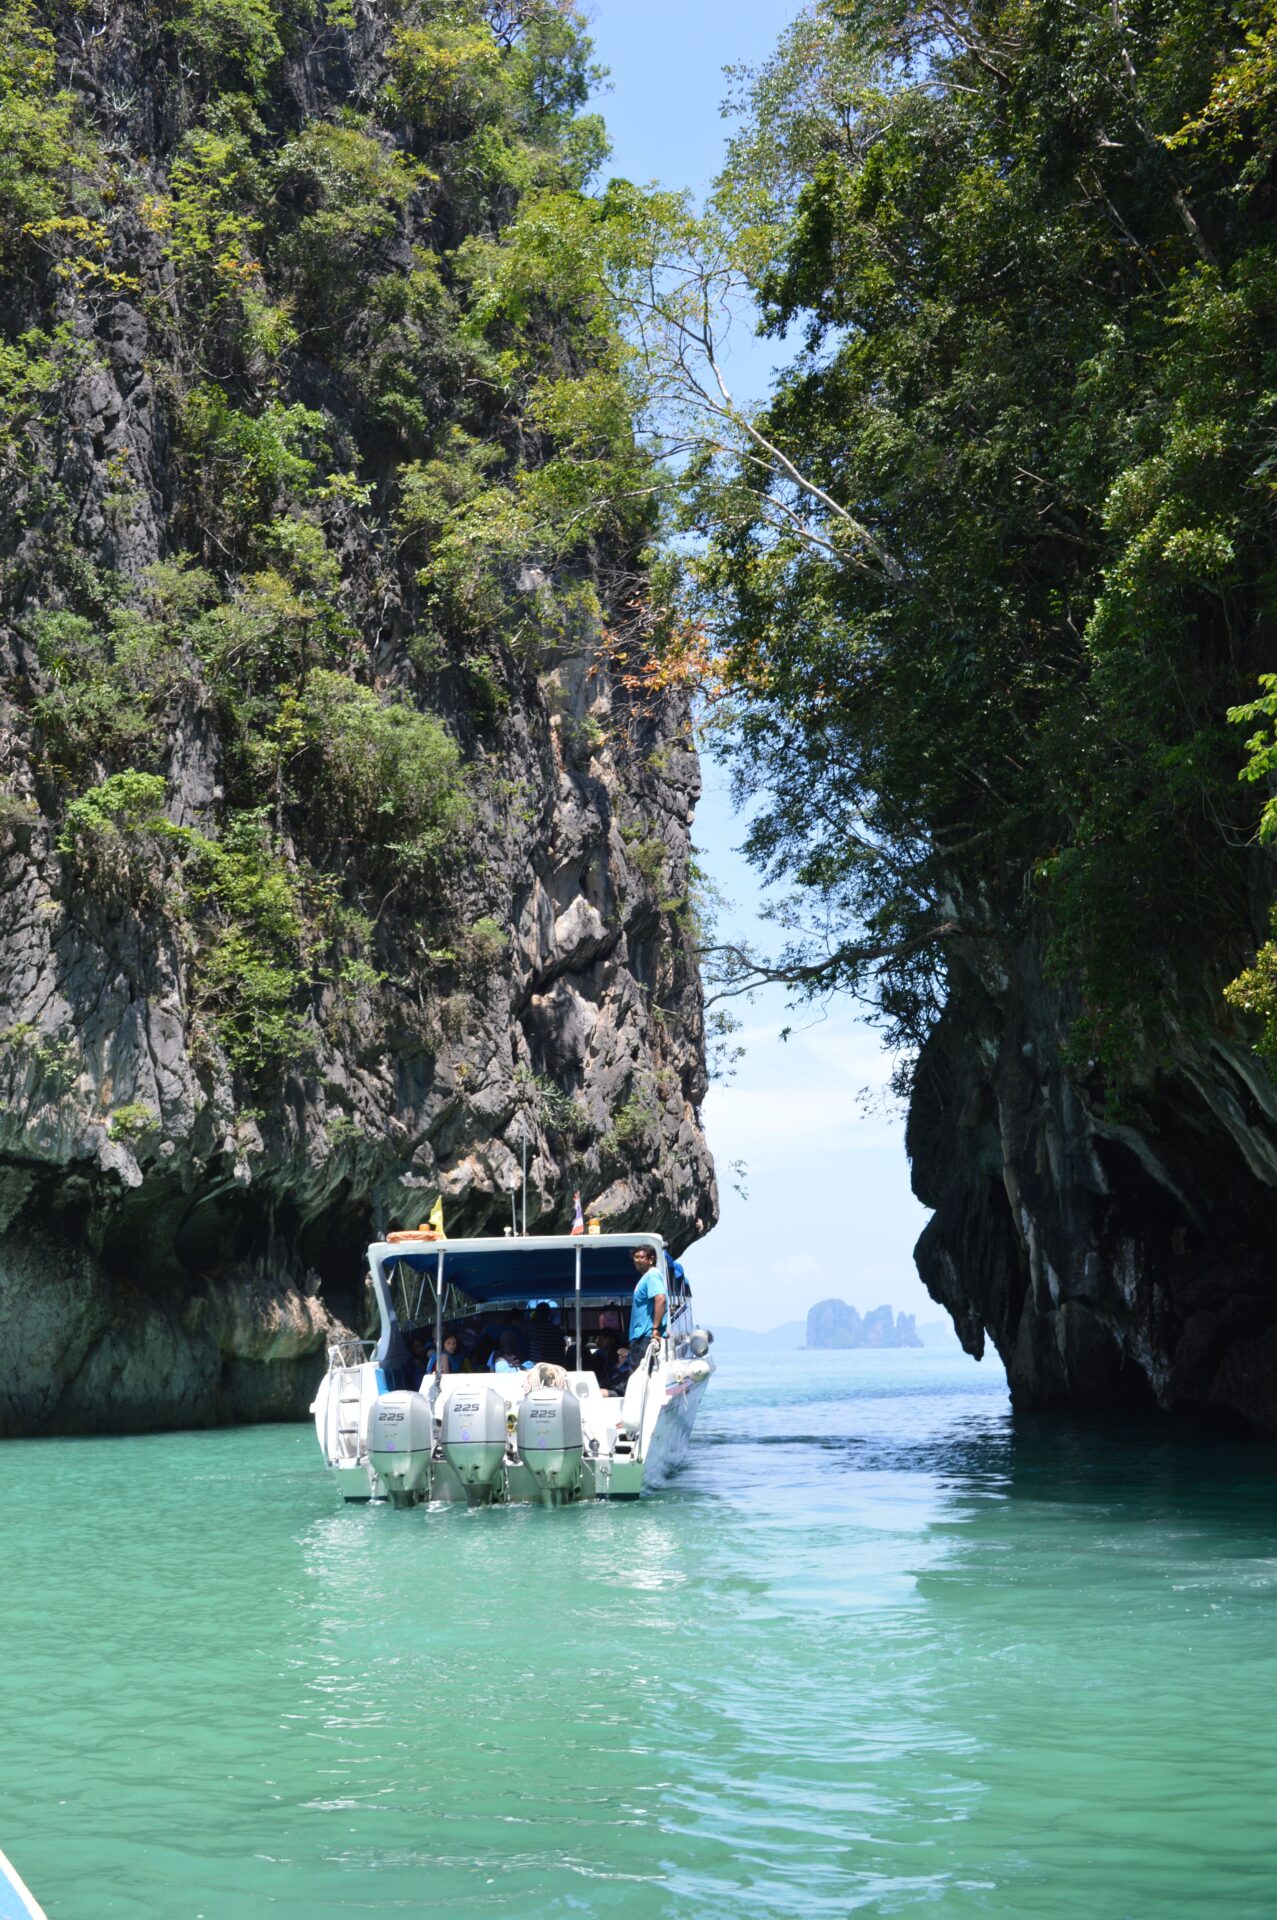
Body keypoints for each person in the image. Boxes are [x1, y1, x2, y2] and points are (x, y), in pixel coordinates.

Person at [629, 1245, 667, 1352]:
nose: (637, 1260)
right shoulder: (645, 1277)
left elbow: (660, 1299)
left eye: (641, 1257)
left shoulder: (652, 1274)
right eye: (635, 1257)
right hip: (640, 1336)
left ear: (651, 1259)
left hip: (646, 1336)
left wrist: (655, 1329)